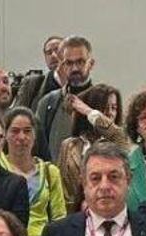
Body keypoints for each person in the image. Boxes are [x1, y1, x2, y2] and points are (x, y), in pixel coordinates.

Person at [0, 106, 68, 236]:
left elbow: (59, 218)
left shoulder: (50, 172)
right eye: (15, 131)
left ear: (35, 135)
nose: (22, 137)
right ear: (5, 134)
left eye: (27, 131)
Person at [56, 84, 131, 213]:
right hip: (76, 214)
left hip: (111, 210)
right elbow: (63, 189)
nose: (110, 113)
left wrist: (86, 110)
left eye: (114, 108)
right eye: (104, 107)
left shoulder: (118, 142)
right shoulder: (68, 145)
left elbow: (117, 134)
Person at [35, 36, 98, 161]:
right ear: (62, 66)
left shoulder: (106, 101)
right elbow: (36, 150)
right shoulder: (48, 103)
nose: (74, 68)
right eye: (69, 63)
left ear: (91, 64)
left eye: (80, 62)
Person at [14, 35, 68, 109]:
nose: (53, 55)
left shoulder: (80, 84)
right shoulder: (32, 84)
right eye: (49, 52)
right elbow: (17, 115)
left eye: (57, 50)